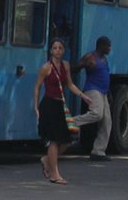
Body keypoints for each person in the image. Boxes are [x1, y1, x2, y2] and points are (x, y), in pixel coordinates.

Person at [33, 38, 91, 185]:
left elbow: (70, 84)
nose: (57, 51)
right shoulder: (46, 67)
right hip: (49, 105)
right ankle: (55, 174)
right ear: (51, 51)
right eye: (54, 48)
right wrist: (36, 107)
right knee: (54, 140)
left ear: (63, 51)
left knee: (67, 138)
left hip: (61, 106)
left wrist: (83, 96)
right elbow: (37, 87)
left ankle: (47, 160)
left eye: (60, 48)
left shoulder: (65, 66)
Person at [71, 36, 113, 161]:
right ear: (101, 46)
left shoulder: (104, 59)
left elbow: (105, 75)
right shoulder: (90, 57)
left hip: (104, 92)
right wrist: (83, 65)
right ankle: (70, 122)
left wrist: (109, 93)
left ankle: (98, 151)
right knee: (97, 114)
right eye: (108, 46)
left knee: (107, 121)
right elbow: (75, 68)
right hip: (92, 89)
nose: (110, 48)